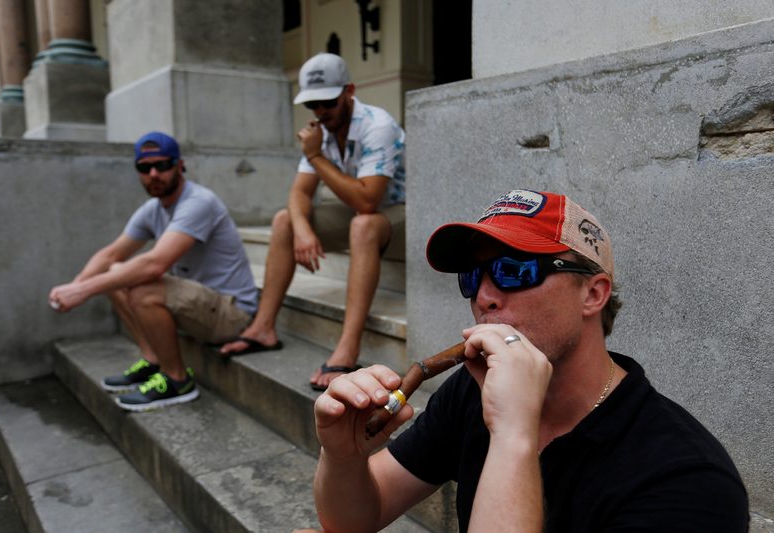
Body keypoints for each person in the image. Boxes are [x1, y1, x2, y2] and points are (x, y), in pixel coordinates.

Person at [311, 189, 749, 531]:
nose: (484, 297)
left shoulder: (687, 479)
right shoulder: (471, 390)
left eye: (514, 270)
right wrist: (343, 457)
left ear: (592, 294)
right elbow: (355, 519)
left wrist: (513, 433)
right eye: (472, 277)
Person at [220, 53, 406, 392]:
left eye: (327, 102)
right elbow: (299, 195)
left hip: (406, 214)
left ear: (349, 91)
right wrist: (302, 230)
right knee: (284, 221)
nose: (320, 111)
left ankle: (348, 349)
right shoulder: (321, 132)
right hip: (364, 210)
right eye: (312, 104)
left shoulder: (377, 126)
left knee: (362, 224)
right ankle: (263, 327)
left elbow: (367, 200)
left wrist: (315, 156)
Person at [48, 132, 258, 411]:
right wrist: (74, 286)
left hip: (231, 313)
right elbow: (111, 254)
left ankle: (177, 381)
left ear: (180, 165)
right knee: (115, 272)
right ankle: (154, 360)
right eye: (145, 168)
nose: (154, 174)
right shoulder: (153, 209)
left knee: (142, 285)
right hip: (198, 306)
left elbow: (155, 264)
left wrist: (82, 291)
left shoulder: (199, 202)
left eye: (163, 165)